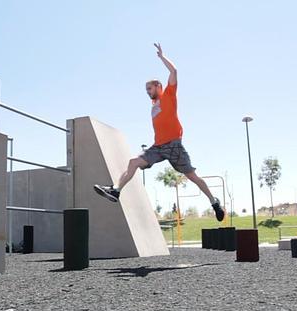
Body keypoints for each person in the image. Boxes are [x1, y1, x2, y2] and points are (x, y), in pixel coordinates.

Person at [94, 43, 225, 221]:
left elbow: (174, 72)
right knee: (133, 162)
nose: (148, 92)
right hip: (158, 147)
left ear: (158, 86)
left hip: (174, 145)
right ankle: (116, 190)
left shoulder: (168, 95)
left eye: (149, 88)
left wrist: (162, 57)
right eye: (146, 90)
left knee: (192, 176)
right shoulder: (153, 105)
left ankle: (213, 201)